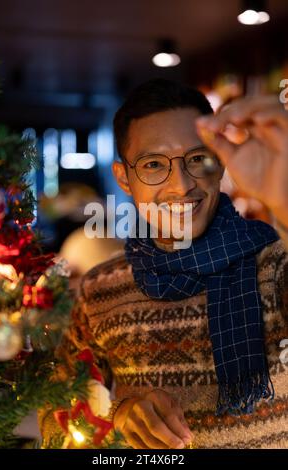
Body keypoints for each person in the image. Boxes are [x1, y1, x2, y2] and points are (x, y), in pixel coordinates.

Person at [39, 79, 288, 449]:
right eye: (154, 164)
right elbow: (52, 417)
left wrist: (284, 200)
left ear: (219, 162)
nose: (181, 185)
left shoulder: (276, 265)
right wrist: (116, 418)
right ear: (124, 177)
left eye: (197, 158)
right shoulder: (99, 290)